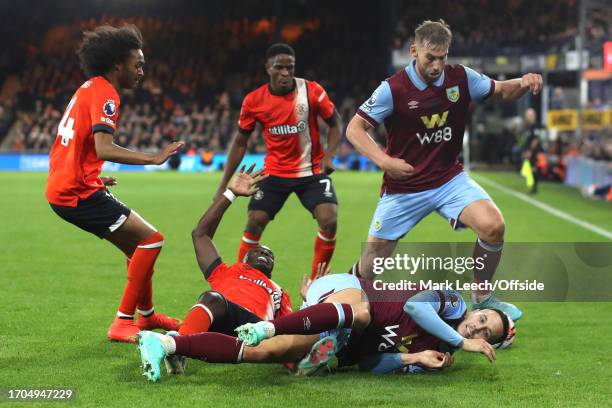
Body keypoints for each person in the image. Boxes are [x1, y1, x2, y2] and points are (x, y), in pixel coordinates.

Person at [345, 20, 543, 321]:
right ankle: (344, 297)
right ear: (414, 50)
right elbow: (355, 129)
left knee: (493, 226)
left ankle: (482, 298)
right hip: (405, 187)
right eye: (430, 58)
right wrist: (385, 161)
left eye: (442, 57)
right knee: (371, 265)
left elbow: (502, 91)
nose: (437, 65)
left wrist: (523, 82)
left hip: (449, 178)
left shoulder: (461, 78)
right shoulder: (393, 88)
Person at [45, 25, 184, 342]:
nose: (141, 71)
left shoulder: (88, 87)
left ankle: (146, 317)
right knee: (153, 240)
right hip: (75, 192)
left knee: (139, 247)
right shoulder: (107, 92)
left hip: (69, 185)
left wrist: (91, 174)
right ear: (117, 64)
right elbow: (103, 147)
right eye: (137, 64)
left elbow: (72, 145)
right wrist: (153, 158)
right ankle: (123, 322)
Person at [138, 273, 514, 382]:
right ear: (476, 310)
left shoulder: (441, 353)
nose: (476, 329)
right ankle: (271, 327)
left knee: (266, 354)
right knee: (363, 313)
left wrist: (412, 357)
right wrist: (459, 344)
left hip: (344, 337)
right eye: (483, 320)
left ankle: (168, 345)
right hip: (349, 292)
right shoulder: (453, 303)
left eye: (485, 333)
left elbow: (371, 363)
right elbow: (416, 304)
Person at [214, 43, 343, 281]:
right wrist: (223, 184)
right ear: (268, 69)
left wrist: (330, 154)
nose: (285, 73)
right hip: (275, 172)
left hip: (311, 171)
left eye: (290, 67)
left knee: (329, 219)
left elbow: (336, 122)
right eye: (279, 67)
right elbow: (240, 142)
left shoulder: (312, 91)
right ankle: (240, 281)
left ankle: (315, 286)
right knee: (254, 222)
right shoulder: (254, 101)